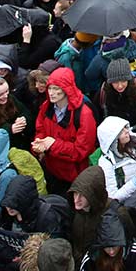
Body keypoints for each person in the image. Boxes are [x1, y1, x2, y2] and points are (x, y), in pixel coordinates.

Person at [34, 67, 99, 197]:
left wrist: (53, 144)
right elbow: (40, 129)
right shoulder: (46, 107)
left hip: (75, 177)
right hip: (53, 171)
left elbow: (81, 150)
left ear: (66, 89)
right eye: (50, 88)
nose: (51, 93)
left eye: (56, 89)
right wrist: (39, 142)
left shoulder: (84, 114)